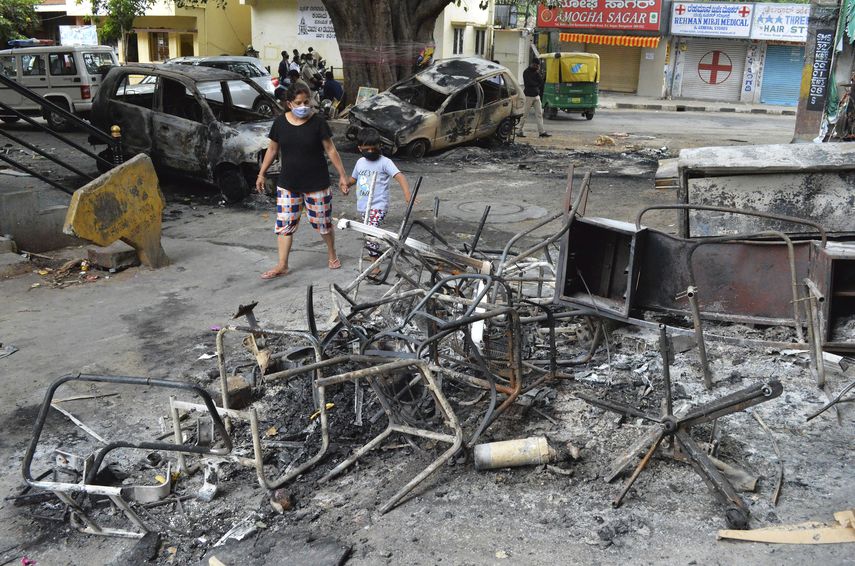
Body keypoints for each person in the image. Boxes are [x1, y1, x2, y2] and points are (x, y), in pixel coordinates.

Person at [255, 82, 349, 279]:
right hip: (288, 184)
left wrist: (342, 175)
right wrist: (261, 173)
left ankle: (332, 254)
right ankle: (282, 264)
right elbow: (272, 150)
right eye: (299, 102)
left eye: (307, 102)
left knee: (322, 223)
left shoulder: (318, 123)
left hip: (317, 183)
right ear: (290, 104)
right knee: (284, 224)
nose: (304, 106)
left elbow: (331, 149)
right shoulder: (280, 123)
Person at [346, 128, 411, 259]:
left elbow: (400, 176)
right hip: (363, 206)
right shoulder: (360, 162)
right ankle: (379, 253)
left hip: (378, 206)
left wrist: (407, 194)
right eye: (367, 149)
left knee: (371, 233)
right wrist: (345, 185)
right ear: (360, 148)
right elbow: (353, 179)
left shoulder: (385, 162)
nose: (371, 152)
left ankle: (375, 262)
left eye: (373, 148)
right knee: (368, 233)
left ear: (379, 146)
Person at [517, 60, 550, 138]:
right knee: (524, 114)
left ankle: (541, 132)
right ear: (532, 64)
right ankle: (519, 131)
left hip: (536, 96)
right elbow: (529, 83)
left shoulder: (536, 73)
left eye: (538, 66)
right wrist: (536, 84)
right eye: (536, 66)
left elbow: (541, 82)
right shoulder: (526, 72)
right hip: (528, 96)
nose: (537, 67)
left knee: (539, 114)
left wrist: (537, 84)